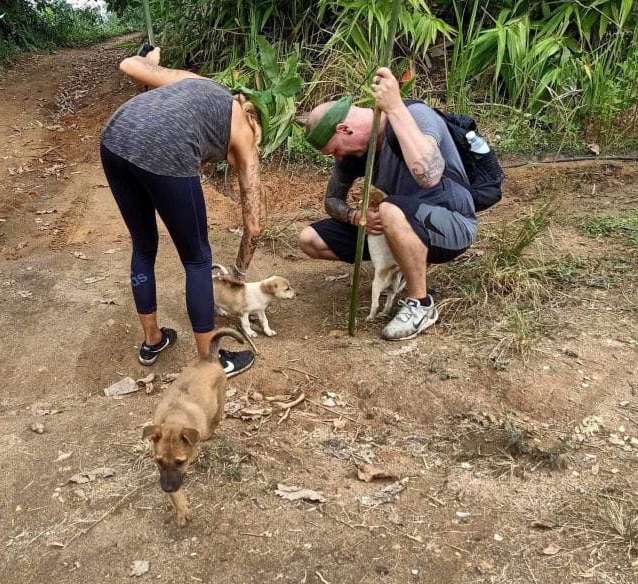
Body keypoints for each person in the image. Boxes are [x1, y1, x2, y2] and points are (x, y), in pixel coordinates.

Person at [100, 46, 263, 377]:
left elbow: (129, 64)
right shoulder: (245, 135)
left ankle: (152, 340)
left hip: (115, 136)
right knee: (198, 259)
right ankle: (211, 362)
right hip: (166, 143)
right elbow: (255, 225)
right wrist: (239, 275)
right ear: (252, 121)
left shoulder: (196, 82)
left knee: (144, 245)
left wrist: (151, 56)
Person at [298, 67, 477, 340]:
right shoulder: (356, 154)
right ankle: (405, 266)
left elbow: (429, 175)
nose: (337, 156)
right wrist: (357, 216)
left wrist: (394, 107)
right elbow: (332, 200)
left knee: (389, 209)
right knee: (310, 239)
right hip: (400, 224)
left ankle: (421, 305)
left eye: (334, 149)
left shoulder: (414, 116)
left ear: (343, 129)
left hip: (451, 225)